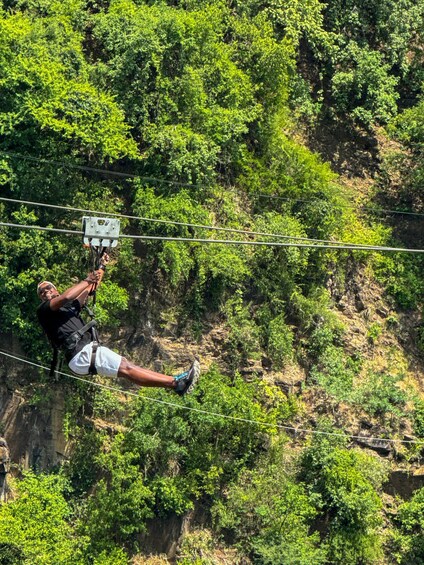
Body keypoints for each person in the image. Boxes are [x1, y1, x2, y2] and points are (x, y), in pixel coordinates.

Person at [36, 255, 200, 395]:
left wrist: (102, 266)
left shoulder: (69, 309)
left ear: (55, 290)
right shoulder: (44, 310)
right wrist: (87, 279)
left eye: (47, 288)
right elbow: (67, 296)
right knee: (126, 368)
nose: (45, 291)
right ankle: (177, 383)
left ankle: (176, 382)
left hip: (83, 354)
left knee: (127, 367)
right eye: (41, 292)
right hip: (80, 353)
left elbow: (88, 290)